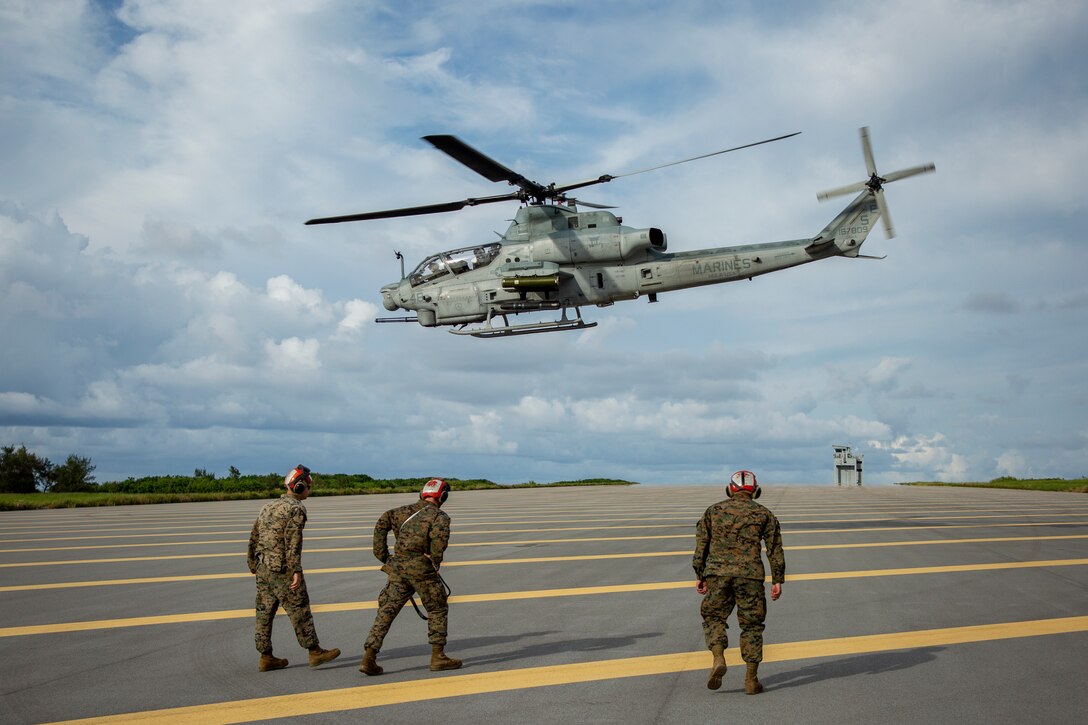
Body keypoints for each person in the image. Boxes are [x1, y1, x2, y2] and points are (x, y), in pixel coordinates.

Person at [693, 470, 785, 694]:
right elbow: (774, 548)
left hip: (718, 573)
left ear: (730, 489)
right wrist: (777, 579)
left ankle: (718, 657)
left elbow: (701, 546)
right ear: (755, 491)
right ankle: (751, 680)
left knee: (714, 617)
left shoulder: (713, 511)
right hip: (751, 576)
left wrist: (700, 574)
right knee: (752, 625)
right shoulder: (764, 514)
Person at [359, 478, 462, 675]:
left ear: (422, 494)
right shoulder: (440, 517)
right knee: (437, 608)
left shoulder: (400, 512)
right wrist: (435, 562)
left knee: (386, 611)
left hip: (398, 568)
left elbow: (381, 524)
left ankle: (369, 657)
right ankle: (438, 656)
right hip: (422, 569)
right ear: (443, 497)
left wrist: (384, 557)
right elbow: (439, 545)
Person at [246, 464, 341, 672]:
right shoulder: (296, 509)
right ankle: (314, 651)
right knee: (299, 609)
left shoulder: (267, 506)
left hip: (264, 567)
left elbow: (254, 536)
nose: (309, 490)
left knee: (264, 611)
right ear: (299, 488)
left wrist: (253, 563)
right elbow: (293, 541)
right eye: (307, 486)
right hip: (283, 569)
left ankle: (265, 656)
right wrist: (295, 570)